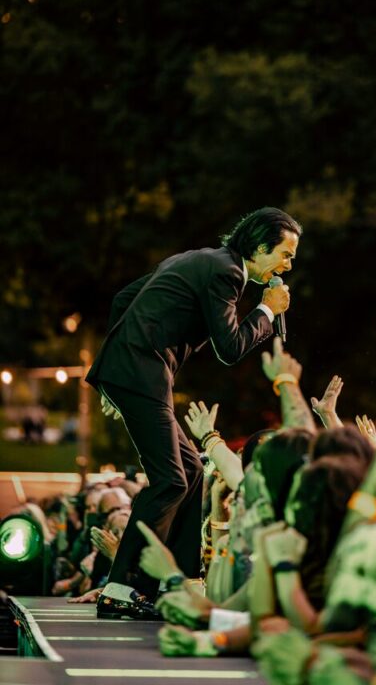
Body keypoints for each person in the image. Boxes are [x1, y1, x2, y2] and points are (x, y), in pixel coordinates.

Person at [85, 207, 301, 619]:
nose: (288, 265)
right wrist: (268, 311)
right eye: (285, 255)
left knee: (192, 470)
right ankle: (120, 588)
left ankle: (180, 582)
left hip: (135, 371)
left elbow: (123, 299)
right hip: (141, 372)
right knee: (169, 480)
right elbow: (230, 348)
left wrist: (113, 371)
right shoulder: (228, 273)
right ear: (260, 248)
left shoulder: (199, 258)